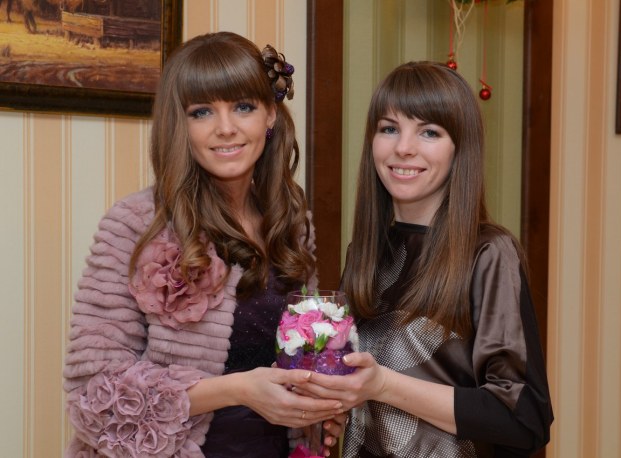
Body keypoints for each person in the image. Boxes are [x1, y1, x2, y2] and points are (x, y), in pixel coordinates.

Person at [63, 32, 345, 457]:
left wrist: (319, 406)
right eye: (202, 112)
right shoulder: (136, 224)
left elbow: (303, 353)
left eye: (244, 107)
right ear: (180, 125)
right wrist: (238, 390)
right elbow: (92, 395)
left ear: (270, 114)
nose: (226, 128)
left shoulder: (291, 221)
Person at [293, 61, 554, 457]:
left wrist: (382, 385)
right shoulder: (365, 252)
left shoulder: (488, 253)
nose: (403, 147)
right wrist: (340, 407)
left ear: (459, 148)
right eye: (389, 128)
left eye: (429, 132)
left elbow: (524, 417)